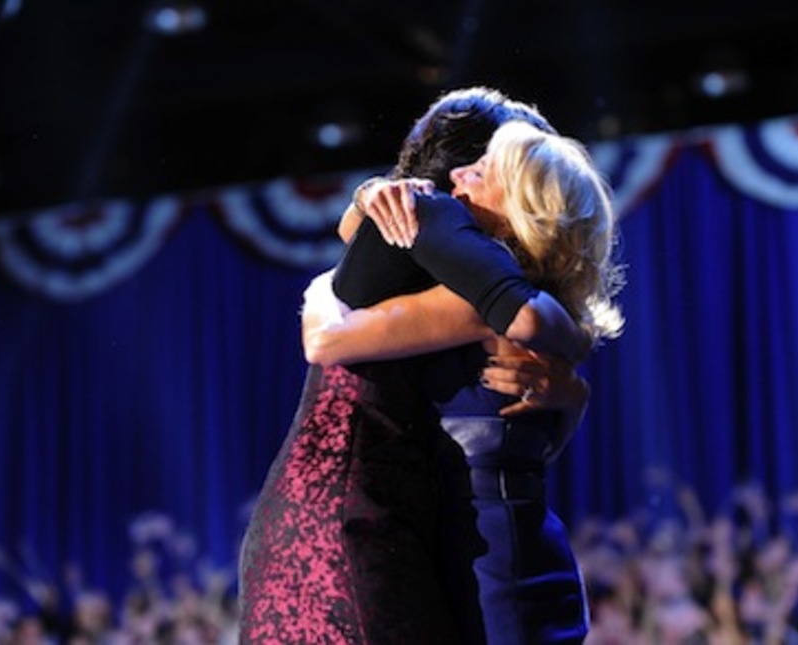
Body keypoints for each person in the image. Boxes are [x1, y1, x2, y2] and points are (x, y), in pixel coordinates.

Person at [238, 88, 601, 644]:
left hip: (380, 520)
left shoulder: (468, 282)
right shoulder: (449, 266)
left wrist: (571, 385)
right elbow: (325, 339)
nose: (464, 181)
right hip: (352, 517)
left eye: (488, 168)